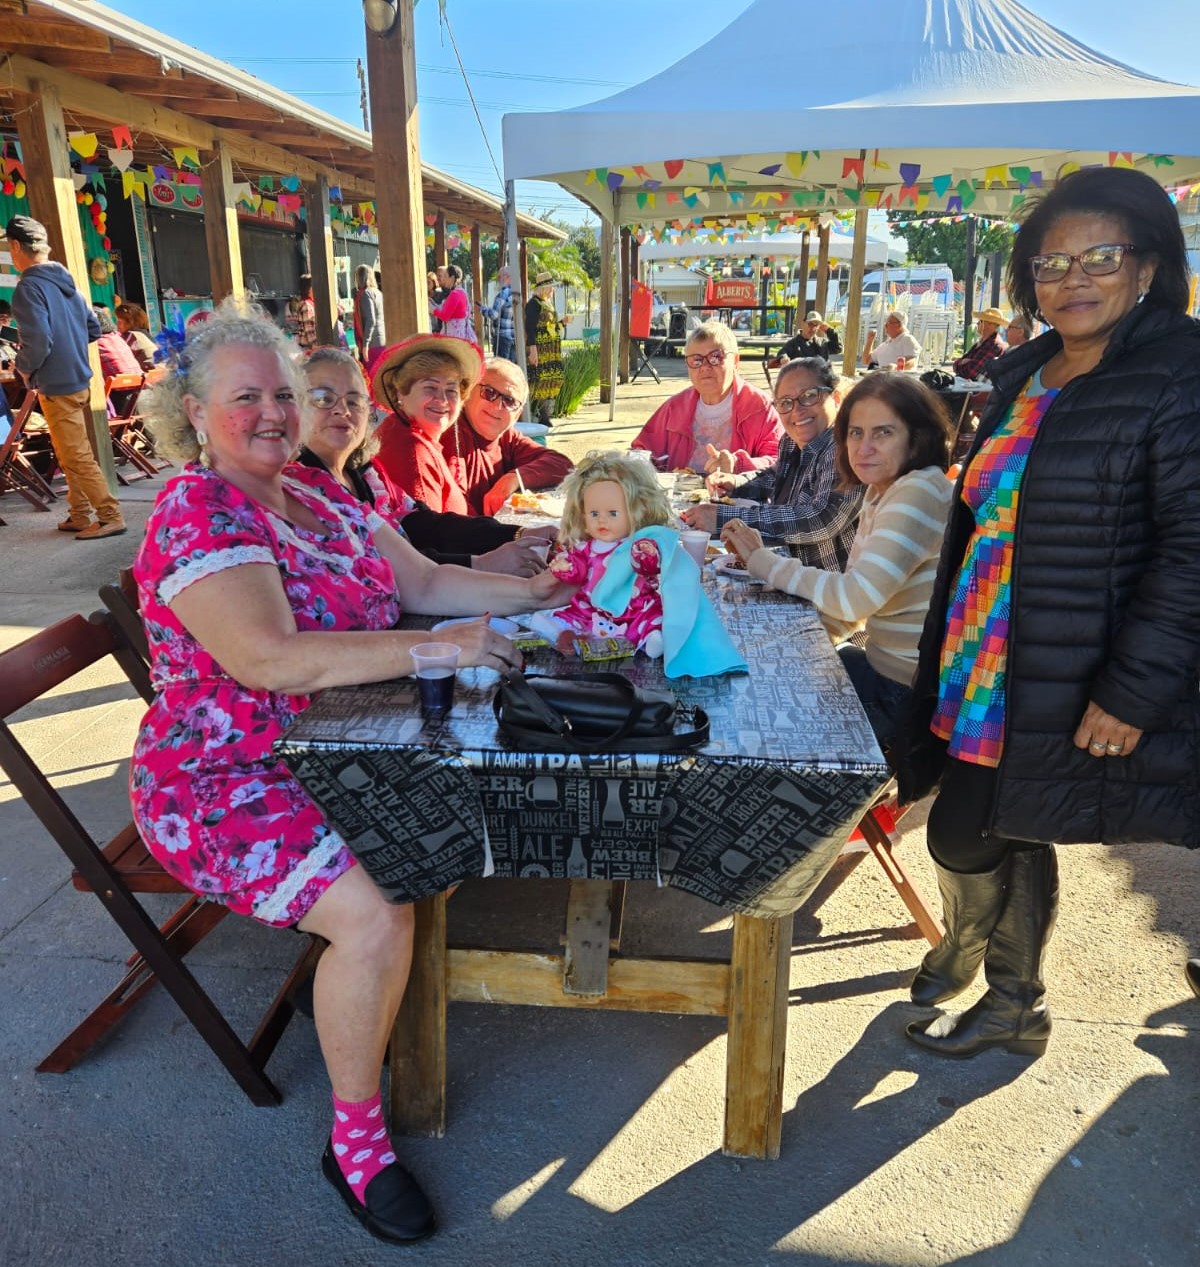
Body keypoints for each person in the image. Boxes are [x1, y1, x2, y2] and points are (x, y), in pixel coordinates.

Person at [130, 302, 576, 1244]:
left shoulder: (316, 490)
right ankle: (357, 1140)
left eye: (283, 393)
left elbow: (419, 582)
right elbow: (270, 661)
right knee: (381, 907)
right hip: (226, 777)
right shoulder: (196, 509)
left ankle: (367, 997)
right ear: (194, 411)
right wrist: (434, 653)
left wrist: (536, 593)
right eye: (244, 395)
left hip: (348, 737)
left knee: (497, 789)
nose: (273, 412)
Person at [897, 166, 1200, 1062]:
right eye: (1050, 261)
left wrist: (1133, 689)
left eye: (1098, 256)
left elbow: (1193, 549)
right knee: (1006, 817)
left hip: (1074, 654)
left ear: (1147, 266)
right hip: (985, 641)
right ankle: (1008, 996)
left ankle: (992, 976)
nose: (1071, 278)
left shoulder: (1178, 372)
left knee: (967, 827)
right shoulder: (1027, 369)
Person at [722, 372, 953, 750]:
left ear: (917, 437)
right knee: (762, 673)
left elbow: (855, 598)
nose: (864, 448)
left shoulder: (919, 490)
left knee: (753, 718)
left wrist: (762, 562)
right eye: (856, 433)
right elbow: (853, 612)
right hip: (885, 673)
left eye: (883, 432)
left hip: (900, 694)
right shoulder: (884, 490)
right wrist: (793, 648)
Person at [297, 346, 554, 576]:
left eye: (354, 400)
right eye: (322, 398)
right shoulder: (408, 447)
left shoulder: (362, 470)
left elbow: (422, 522)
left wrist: (517, 534)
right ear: (401, 393)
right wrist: (484, 563)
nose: (342, 410)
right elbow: (411, 554)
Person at [4, 214, 125, 539]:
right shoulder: (66, 281)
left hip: (56, 383)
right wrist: (68, 347)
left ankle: (110, 515)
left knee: (76, 454)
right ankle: (79, 513)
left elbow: (39, 340)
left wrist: (25, 367)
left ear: (16, 246)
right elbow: (93, 327)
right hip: (80, 378)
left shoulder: (29, 287)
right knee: (71, 450)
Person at [680, 357, 862, 572]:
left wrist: (724, 518)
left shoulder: (846, 449)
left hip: (826, 588)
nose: (797, 410)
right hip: (785, 569)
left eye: (809, 396)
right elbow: (775, 476)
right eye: (785, 403)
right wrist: (736, 482)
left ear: (836, 398)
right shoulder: (792, 441)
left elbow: (821, 519)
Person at [529, 450, 675, 656]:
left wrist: (648, 554)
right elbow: (577, 572)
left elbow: (650, 567)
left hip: (633, 607)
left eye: (613, 513)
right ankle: (564, 633)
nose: (602, 520)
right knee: (564, 616)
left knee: (653, 616)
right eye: (594, 513)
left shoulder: (637, 545)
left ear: (637, 511)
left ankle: (651, 638)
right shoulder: (587, 548)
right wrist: (564, 568)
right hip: (593, 607)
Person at [631, 320, 783, 477]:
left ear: (736, 362)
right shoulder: (674, 408)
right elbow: (641, 451)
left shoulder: (760, 407)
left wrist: (738, 465)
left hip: (739, 498)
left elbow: (780, 462)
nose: (705, 366)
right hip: (680, 498)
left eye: (715, 357)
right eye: (696, 360)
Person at [443, 358, 574, 516]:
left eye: (509, 401)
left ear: (517, 414)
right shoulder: (452, 435)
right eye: (489, 392)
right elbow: (457, 516)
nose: (497, 406)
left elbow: (562, 464)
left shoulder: (507, 437)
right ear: (468, 392)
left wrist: (514, 478)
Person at [372, 332, 481, 514]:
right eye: (430, 387)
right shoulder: (413, 449)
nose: (442, 399)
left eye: (451, 390)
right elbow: (429, 536)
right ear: (401, 393)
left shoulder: (405, 430)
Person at [525, 271, 564, 424]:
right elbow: (530, 328)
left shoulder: (547, 303)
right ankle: (541, 415)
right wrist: (533, 349)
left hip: (551, 349)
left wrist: (561, 323)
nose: (552, 290)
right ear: (544, 288)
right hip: (541, 348)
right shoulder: (534, 304)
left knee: (552, 378)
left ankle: (545, 414)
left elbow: (550, 327)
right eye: (550, 287)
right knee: (540, 380)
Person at [770, 310, 842, 367]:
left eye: (816, 325)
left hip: (822, 380)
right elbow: (782, 352)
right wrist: (783, 358)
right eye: (810, 324)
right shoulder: (794, 343)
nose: (812, 328)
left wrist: (829, 331)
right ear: (803, 324)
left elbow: (838, 348)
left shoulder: (823, 343)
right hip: (802, 381)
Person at [952, 307, 1007, 381]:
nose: (977, 324)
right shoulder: (982, 342)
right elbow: (957, 364)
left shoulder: (994, 345)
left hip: (973, 388)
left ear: (990, 325)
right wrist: (962, 362)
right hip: (967, 384)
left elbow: (971, 372)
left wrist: (961, 363)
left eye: (980, 321)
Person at [94, 306, 142, 379]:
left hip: (122, 385)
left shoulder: (96, 342)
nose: (117, 324)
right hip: (138, 379)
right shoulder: (117, 337)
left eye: (119, 321)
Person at [353, 264, 385, 369]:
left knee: (371, 377)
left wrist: (365, 344)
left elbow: (371, 320)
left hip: (372, 344)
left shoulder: (365, 294)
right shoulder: (378, 293)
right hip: (381, 340)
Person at [430, 264, 472, 340]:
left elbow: (445, 316)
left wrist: (432, 309)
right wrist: (433, 304)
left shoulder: (455, 294)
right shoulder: (462, 292)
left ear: (452, 278)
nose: (444, 280)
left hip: (453, 337)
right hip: (460, 335)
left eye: (446, 276)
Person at [482, 266, 515, 360]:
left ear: (507, 276)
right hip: (513, 336)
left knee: (502, 366)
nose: (498, 280)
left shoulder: (503, 293)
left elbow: (494, 314)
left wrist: (483, 309)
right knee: (511, 368)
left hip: (502, 337)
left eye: (499, 277)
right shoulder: (516, 292)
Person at [115, 302, 159, 370]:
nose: (117, 324)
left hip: (148, 374)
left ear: (130, 322)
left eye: (119, 321)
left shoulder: (131, 335)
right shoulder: (144, 333)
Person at [286, 273, 317, 351]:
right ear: (309, 288)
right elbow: (309, 331)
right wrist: (317, 346)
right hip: (310, 348)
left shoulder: (307, 303)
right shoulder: (306, 305)